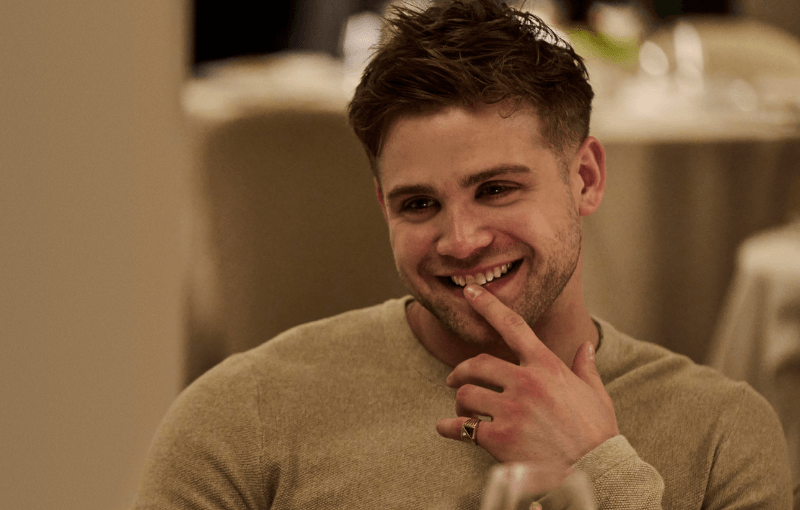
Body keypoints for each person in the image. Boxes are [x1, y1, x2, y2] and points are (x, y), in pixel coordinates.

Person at [132, 1, 793, 508]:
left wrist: (601, 470)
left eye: (497, 189)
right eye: (418, 204)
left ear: (586, 178)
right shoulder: (242, 419)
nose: (460, 240)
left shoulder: (722, 434)